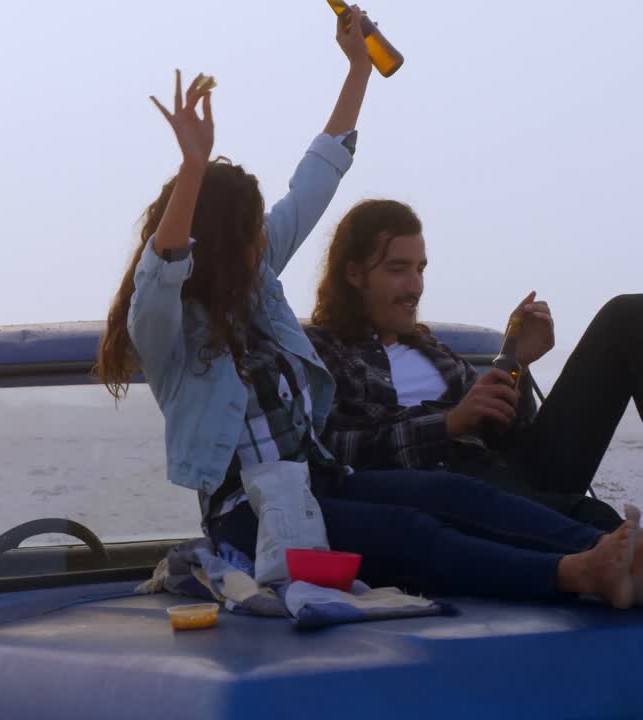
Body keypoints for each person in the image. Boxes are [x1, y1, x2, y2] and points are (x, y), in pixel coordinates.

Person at [96, 9, 640, 606]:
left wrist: (358, 69)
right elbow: (162, 270)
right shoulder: (169, 333)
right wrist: (193, 170)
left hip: (325, 483)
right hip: (250, 515)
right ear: (225, 240)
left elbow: (315, 180)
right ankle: (575, 575)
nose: (268, 236)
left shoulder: (258, 288)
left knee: (462, 499)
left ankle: (622, 554)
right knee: (411, 533)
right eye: (254, 229)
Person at [305, 199, 642, 533]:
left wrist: (515, 362)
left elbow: (508, 433)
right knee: (597, 522)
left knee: (627, 316)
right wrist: (448, 424)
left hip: (508, 473)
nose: (415, 286)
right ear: (353, 273)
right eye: (398, 269)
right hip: (438, 492)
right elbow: (330, 448)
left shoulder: (434, 350)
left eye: (420, 269)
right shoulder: (321, 349)